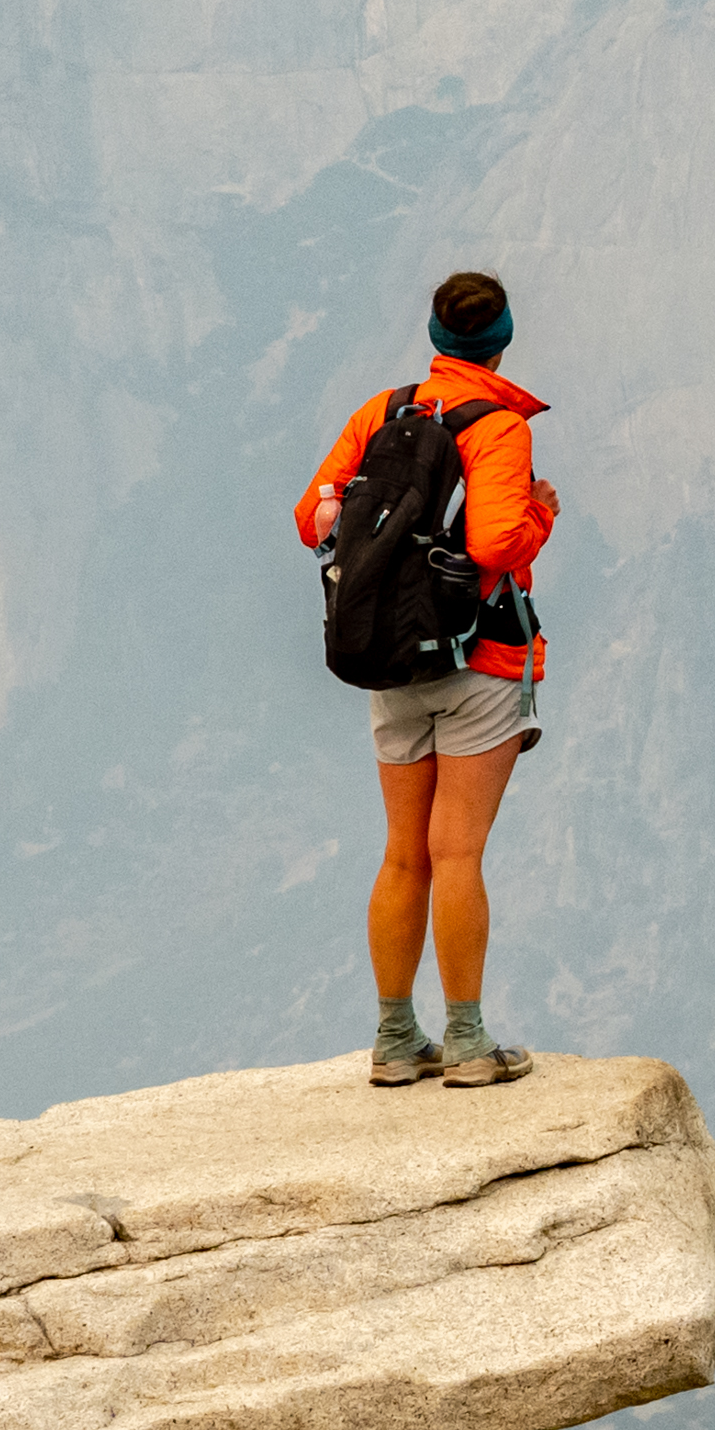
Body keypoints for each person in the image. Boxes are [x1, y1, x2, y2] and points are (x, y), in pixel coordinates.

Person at [298, 270, 559, 1086]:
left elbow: (314, 516)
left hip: (387, 657)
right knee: (458, 854)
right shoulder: (496, 427)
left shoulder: (382, 412)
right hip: (476, 662)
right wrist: (541, 513)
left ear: (438, 338)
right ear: (502, 338)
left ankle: (395, 1038)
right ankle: (470, 1044)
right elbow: (490, 546)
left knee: (402, 854)